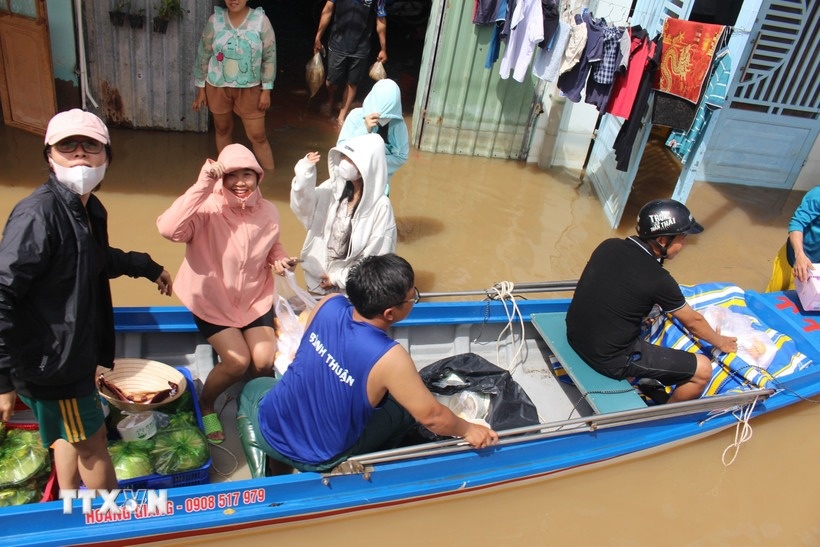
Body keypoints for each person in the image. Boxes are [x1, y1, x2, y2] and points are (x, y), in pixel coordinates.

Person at [0, 109, 173, 491]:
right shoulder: (38, 215)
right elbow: (2, 294)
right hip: (56, 366)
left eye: (90, 145)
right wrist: (3, 379)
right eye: (67, 146)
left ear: (106, 156)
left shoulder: (87, 208)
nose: (80, 154)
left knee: (68, 433)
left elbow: (90, 260)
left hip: (67, 353)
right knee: (94, 447)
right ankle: (108, 523)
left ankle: (67, 498)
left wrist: (144, 266)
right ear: (49, 155)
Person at [237, 253, 498, 473]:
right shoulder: (390, 357)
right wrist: (468, 429)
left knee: (255, 386)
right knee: (404, 411)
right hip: (317, 456)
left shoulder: (329, 303)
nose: (413, 300)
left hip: (269, 424)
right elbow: (432, 417)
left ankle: (266, 468)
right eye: (412, 297)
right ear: (390, 313)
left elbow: (307, 343)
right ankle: (375, 462)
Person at [157, 144, 296, 444]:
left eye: (247, 173)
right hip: (212, 300)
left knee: (262, 359)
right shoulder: (206, 208)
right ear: (220, 179)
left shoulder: (268, 210)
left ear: (258, 176)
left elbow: (273, 245)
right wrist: (202, 184)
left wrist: (279, 260)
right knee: (236, 362)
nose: (240, 182)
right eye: (231, 175)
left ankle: (254, 403)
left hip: (253, 298)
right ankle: (207, 404)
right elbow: (168, 229)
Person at [566, 199, 738, 403]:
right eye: (682, 238)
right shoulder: (659, 279)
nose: (684, 244)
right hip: (607, 359)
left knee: (651, 314)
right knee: (702, 369)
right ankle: (664, 414)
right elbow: (694, 322)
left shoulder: (609, 245)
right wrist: (722, 342)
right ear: (663, 240)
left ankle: (642, 379)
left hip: (574, 335)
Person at [291, 132, 396, 295]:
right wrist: (304, 175)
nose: (344, 163)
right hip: (317, 280)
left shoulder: (381, 207)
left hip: (352, 290)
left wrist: (337, 278)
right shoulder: (331, 189)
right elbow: (303, 207)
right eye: (344, 157)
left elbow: (377, 256)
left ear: (367, 168)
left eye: (351, 160)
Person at [192, 0, 277, 171]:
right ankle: (227, 173)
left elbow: (270, 55)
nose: (234, 0)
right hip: (217, 86)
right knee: (222, 129)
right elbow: (204, 53)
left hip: (251, 88)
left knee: (258, 136)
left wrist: (266, 89)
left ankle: (271, 177)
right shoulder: (215, 20)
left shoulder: (260, 20)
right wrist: (201, 89)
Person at [313, 0, 388, 126]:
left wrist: (383, 48)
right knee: (331, 81)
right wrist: (318, 37)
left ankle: (341, 116)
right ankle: (330, 100)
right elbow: (328, 10)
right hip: (337, 43)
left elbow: (381, 20)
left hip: (361, 46)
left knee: (352, 83)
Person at [337, 77, 409, 195]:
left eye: (387, 116)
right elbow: (340, 148)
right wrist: (364, 130)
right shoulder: (355, 116)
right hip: (351, 181)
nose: (382, 119)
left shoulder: (398, 125)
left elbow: (401, 156)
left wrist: (374, 162)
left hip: (379, 187)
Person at [765, 185, 820, 292]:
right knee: (773, 294)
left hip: (815, 268)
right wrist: (799, 256)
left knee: (799, 303)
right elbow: (797, 224)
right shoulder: (817, 195)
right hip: (793, 256)